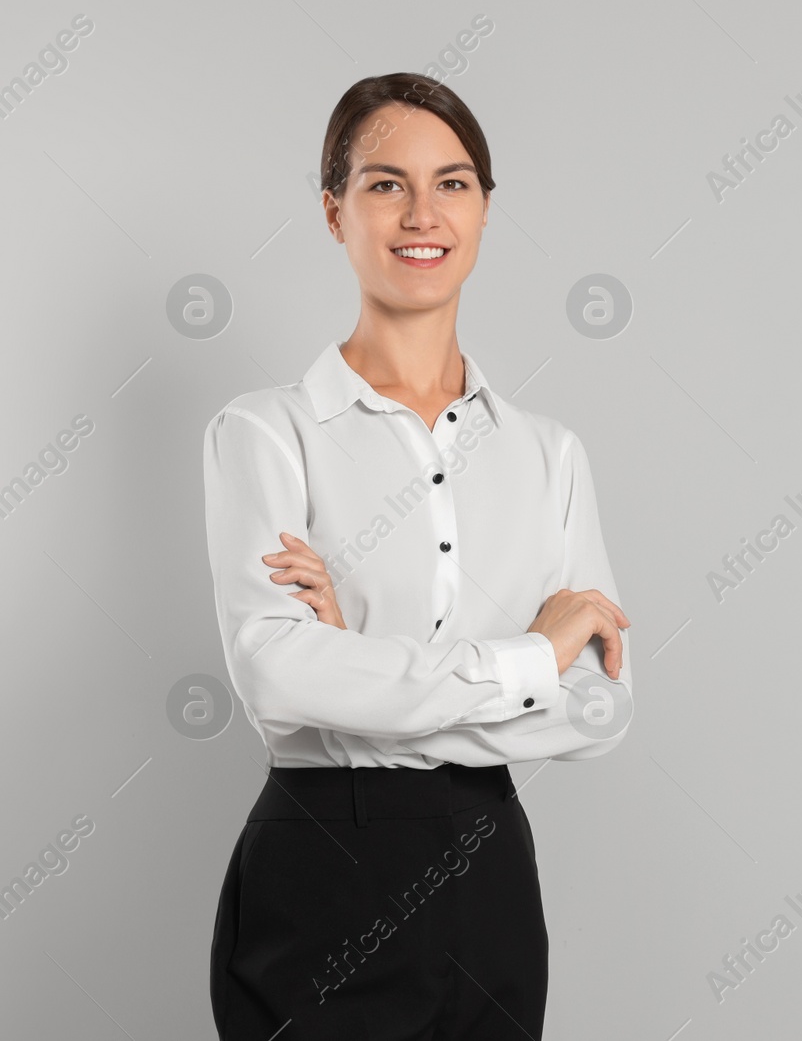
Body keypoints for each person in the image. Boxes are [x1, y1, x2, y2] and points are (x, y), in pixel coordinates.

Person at [202, 72, 633, 1040]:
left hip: (489, 861)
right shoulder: (267, 432)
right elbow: (277, 673)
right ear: (334, 211)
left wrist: (360, 659)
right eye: (385, 183)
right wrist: (531, 657)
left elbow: (602, 707)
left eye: (454, 182)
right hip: (320, 860)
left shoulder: (548, 452)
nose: (421, 213)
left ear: (484, 208)